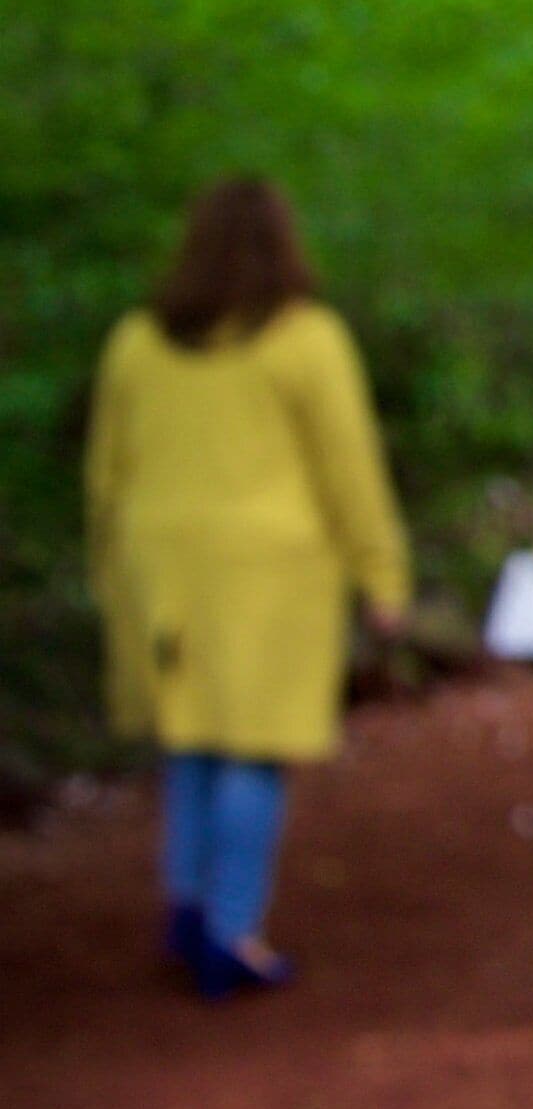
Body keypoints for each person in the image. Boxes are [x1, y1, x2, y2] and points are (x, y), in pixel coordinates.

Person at [84, 177, 410, 999]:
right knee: (254, 748)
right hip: (271, 569)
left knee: (190, 738)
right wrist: (381, 571)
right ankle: (233, 932)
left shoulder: (137, 340)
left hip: (160, 559)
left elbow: (106, 471)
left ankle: (188, 908)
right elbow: (350, 468)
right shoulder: (308, 339)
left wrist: (109, 566)